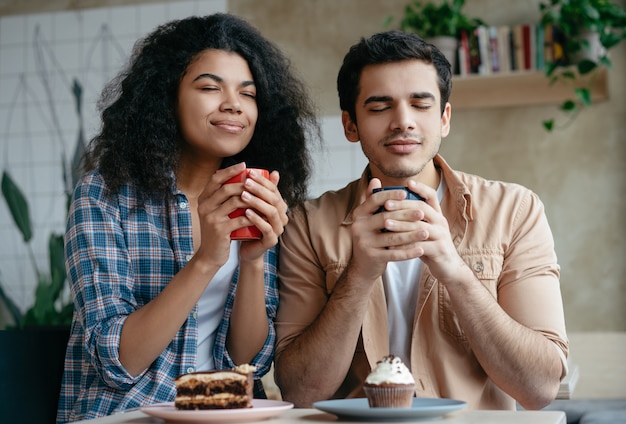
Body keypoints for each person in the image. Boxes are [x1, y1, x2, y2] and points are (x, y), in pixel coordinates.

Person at [274, 30, 568, 411]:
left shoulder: (515, 210)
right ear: (351, 125)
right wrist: (359, 275)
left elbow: (540, 388)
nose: (403, 121)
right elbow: (300, 392)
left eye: (420, 104)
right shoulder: (307, 225)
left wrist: (455, 271)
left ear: (444, 118)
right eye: (380, 107)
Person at [57, 13, 318, 423]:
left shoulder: (254, 195)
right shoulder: (103, 195)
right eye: (210, 87)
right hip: (127, 414)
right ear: (167, 96)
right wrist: (207, 258)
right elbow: (118, 361)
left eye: (247, 93)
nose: (232, 103)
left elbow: (248, 361)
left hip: (226, 413)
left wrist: (251, 261)